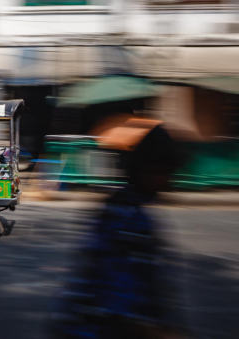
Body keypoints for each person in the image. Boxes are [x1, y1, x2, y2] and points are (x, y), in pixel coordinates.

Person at [52, 115, 183, 339]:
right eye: (165, 172)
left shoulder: (122, 208)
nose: (168, 182)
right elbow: (120, 306)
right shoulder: (129, 219)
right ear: (149, 170)